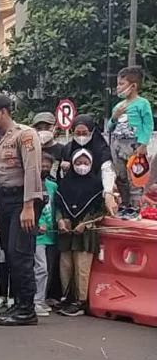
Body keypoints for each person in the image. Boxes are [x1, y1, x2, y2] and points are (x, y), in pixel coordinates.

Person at [0, 93, 43, 326]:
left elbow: (32, 171)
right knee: (10, 253)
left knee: (21, 254)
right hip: (5, 202)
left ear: (3, 112)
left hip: (23, 201)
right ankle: (18, 304)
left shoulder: (25, 135)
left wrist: (28, 206)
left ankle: (27, 309)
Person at [55, 116, 113, 317]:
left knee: (82, 267)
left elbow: (100, 206)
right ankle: (65, 297)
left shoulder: (100, 163)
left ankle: (80, 301)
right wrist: (60, 219)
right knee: (65, 265)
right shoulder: (66, 178)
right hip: (67, 231)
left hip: (85, 233)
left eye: (84, 133)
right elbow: (58, 202)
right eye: (77, 133)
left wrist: (86, 224)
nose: (80, 137)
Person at [107, 66, 153, 213]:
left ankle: (135, 206)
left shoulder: (142, 103)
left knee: (134, 175)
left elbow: (148, 124)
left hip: (133, 145)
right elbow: (109, 127)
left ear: (133, 86)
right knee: (120, 176)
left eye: (121, 84)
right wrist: (115, 117)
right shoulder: (118, 106)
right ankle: (124, 204)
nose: (118, 87)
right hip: (117, 144)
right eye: (118, 84)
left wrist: (143, 143)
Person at [33, 152, 59, 317]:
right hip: (38, 234)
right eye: (41, 166)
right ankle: (35, 302)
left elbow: (56, 207)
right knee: (40, 268)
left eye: (47, 167)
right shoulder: (31, 185)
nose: (44, 169)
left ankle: (41, 300)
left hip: (52, 233)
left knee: (48, 270)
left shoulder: (53, 186)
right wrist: (38, 223)